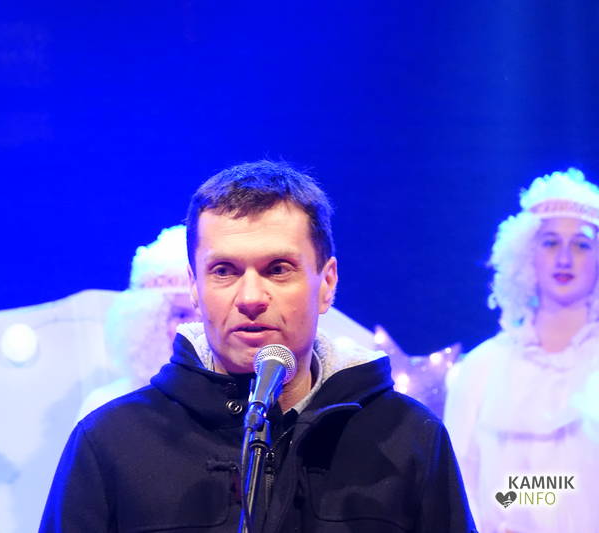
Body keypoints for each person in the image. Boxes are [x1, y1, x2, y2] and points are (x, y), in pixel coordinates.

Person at [41, 160, 475, 532]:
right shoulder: (112, 442)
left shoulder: (407, 437)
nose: (250, 297)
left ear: (326, 284)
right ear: (194, 287)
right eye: (224, 271)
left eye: (278, 269)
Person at [445, 168, 599, 532]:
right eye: (550, 242)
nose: (564, 258)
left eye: (581, 244)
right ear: (528, 254)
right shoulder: (482, 366)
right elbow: (456, 480)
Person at [74, 224, 199, 422]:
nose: (193, 326)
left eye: (202, 315)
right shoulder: (107, 405)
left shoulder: (239, 401)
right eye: (180, 315)